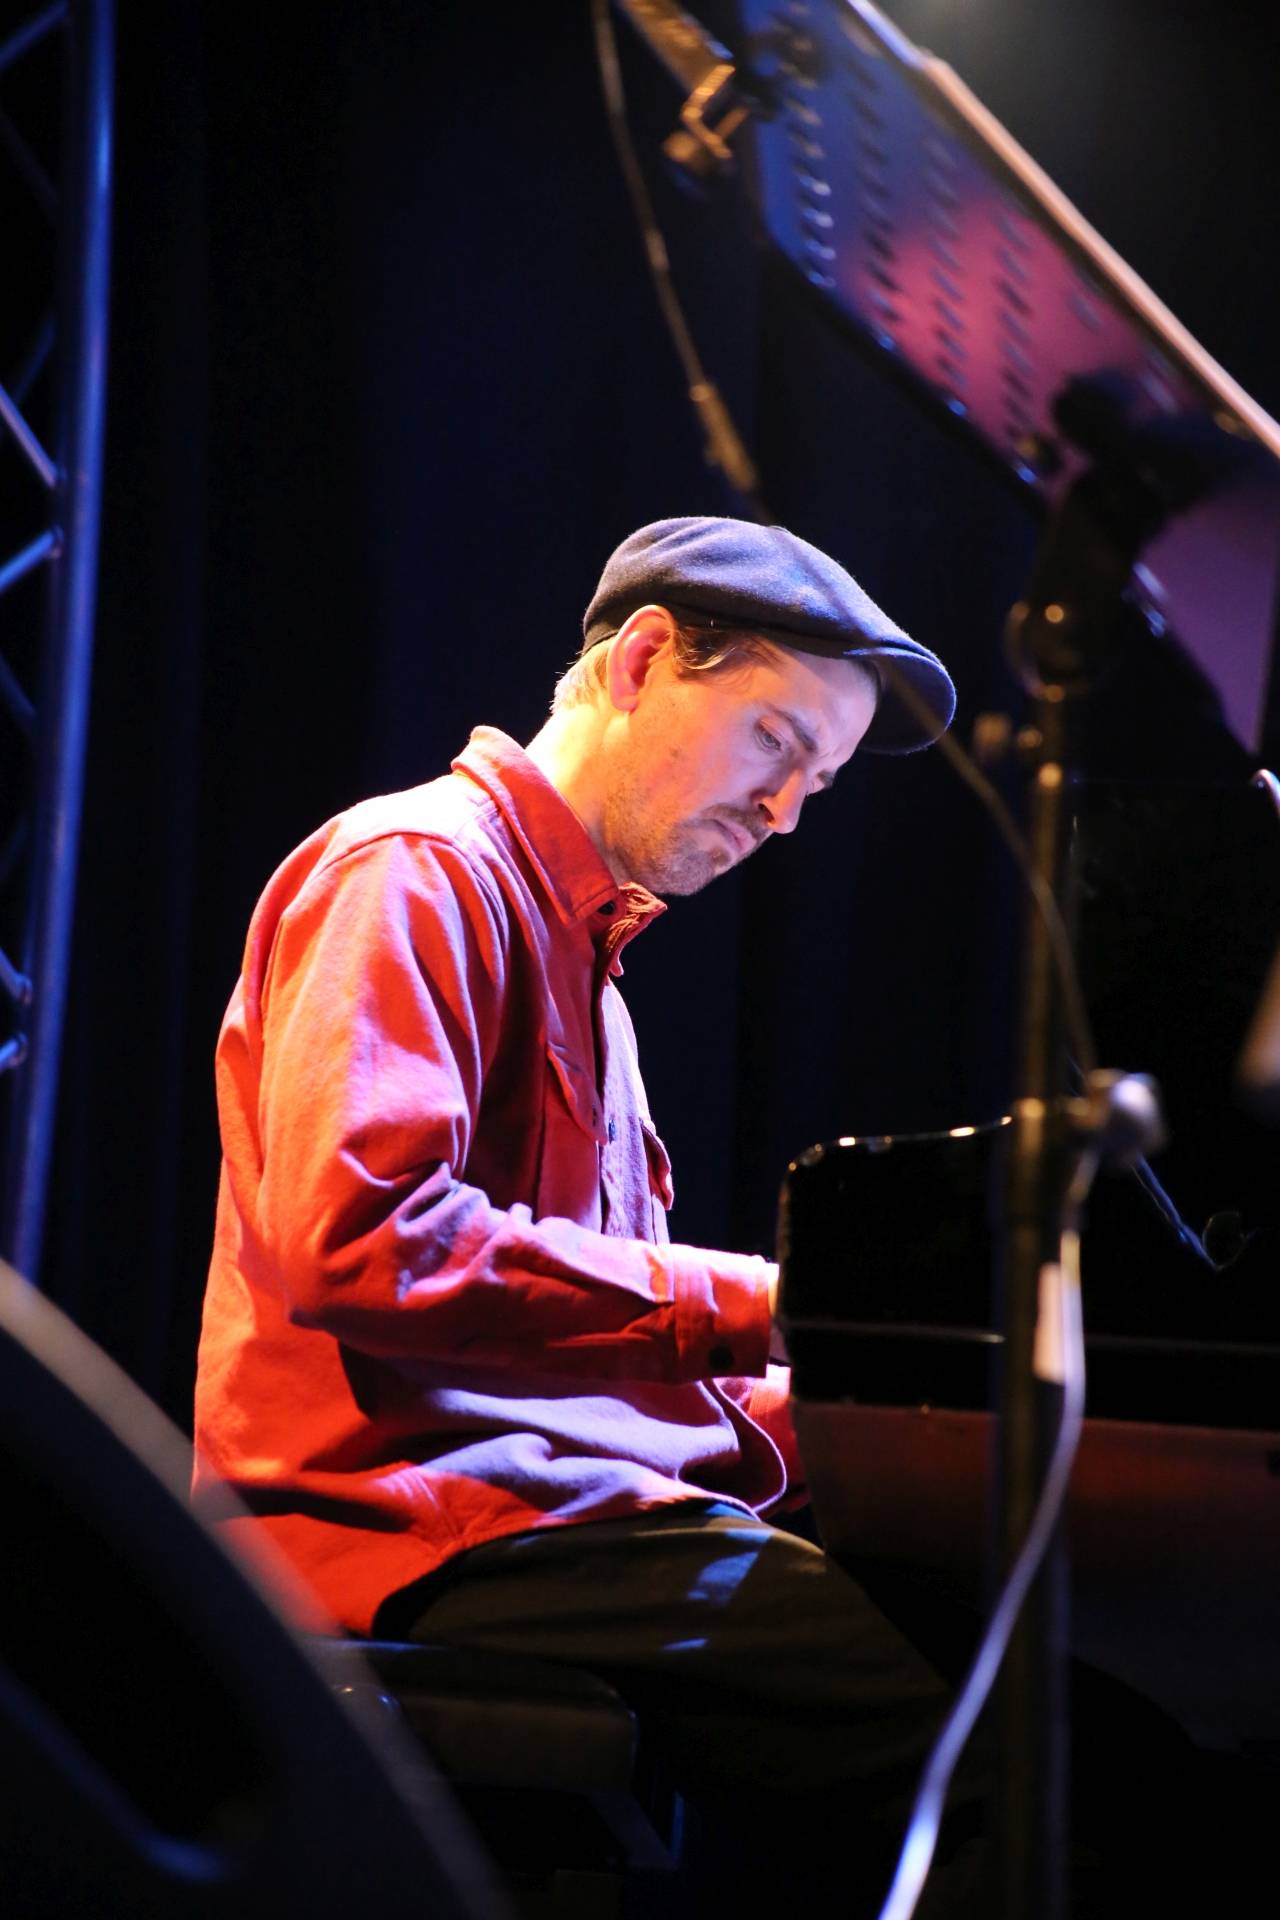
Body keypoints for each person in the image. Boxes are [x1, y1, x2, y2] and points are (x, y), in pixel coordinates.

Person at [194, 516, 972, 1913]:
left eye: (818, 783)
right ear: (644, 661)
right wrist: (772, 1304)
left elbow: (598, 1354)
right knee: (988, 1764)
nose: (786, 814)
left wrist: (913, 1420)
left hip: (550, 1512)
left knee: (1015, 1656)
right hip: (415, 1520)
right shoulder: (412, 869)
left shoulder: (592, 977)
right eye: (776, 744)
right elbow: (364, 1242)